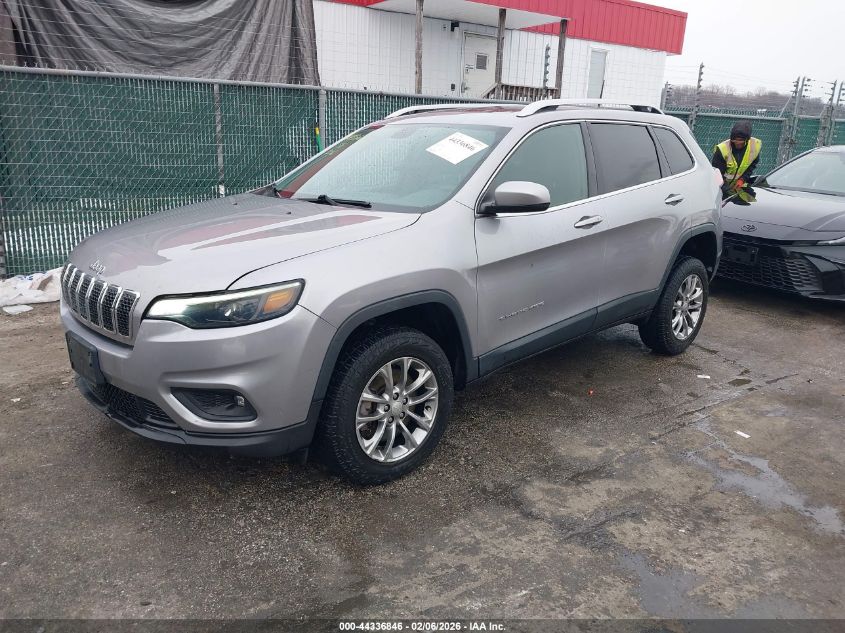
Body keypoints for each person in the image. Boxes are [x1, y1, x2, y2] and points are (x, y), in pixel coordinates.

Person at [712, 121, 762, 196]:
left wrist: (742, 179)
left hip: (739, 187)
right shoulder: (722, 149)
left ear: (747, 140)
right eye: (735, 140)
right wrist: (727, 190)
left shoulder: (754, 146)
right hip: (721, 187)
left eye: (741, 140)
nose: (737, 143)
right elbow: (717, 173)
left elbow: (752, 165)